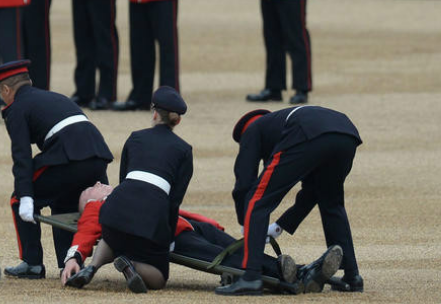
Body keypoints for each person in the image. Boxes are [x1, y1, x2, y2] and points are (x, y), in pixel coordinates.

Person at [0, 59, 113, 279]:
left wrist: (26, 196)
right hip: (97, 156)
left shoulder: (17, 108)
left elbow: (22, 156)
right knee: (63, 202)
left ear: (6, 89)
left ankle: (32, 263)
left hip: (70, 158)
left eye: (1, 93)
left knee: (18, 199)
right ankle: (69, 261)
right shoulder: (53, 97)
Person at [217, 105, 362, 295]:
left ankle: (251, 277)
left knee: (257, 199)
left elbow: (244, 184)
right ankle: (352, 277)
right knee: (331, 202)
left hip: (307, 130)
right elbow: (311, 193)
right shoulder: (277, 125)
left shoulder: (252, 129)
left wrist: (247, 223)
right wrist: (279, 226)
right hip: (346, 133)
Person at [61, 183, 304, 292]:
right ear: (89, 202)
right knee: (222, 258)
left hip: (189, 227)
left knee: (238, 248)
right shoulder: (98, 206)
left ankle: (286, 269)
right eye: (90, 189)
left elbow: (177, 209)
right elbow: (87, 231)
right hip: (172, 235)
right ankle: (282, 272)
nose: (97, 183)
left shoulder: (128, 191)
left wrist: (210, 225)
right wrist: (75, 257)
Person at [73, 86, 192, 291]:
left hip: (116, 209)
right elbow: (174, 201)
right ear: (177, 120)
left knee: (112, 237)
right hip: (150, 217)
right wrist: (167, 238)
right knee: (159, 278)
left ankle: (92, 267)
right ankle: (131, 265)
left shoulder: (135, 137)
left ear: (154, 113)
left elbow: (123, 179)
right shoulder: (184, 150)